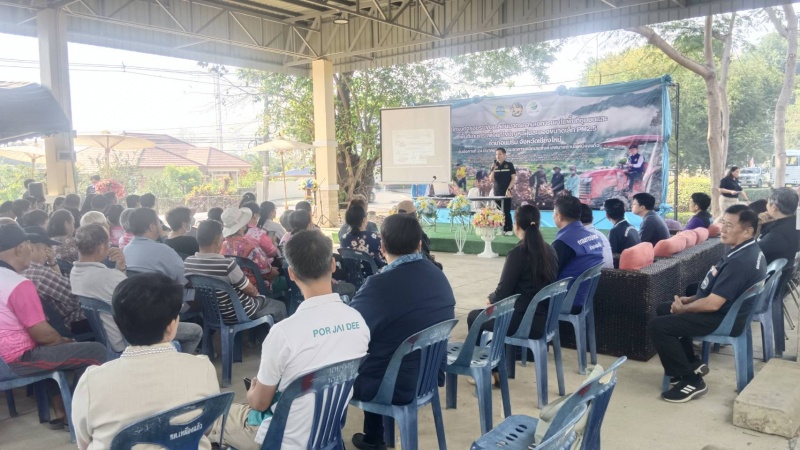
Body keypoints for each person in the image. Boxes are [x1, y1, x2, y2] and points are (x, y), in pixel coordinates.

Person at [210, 230, 370, 449]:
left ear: (292, 274)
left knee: (210, 417)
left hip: (278, 439)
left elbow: (259, 404)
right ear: (333, 265)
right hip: (327, 430)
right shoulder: (358, 321)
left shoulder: (283, 333)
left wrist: (252, 391)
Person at [72, 273, 220, 450]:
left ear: (118, 324)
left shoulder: (91, 382)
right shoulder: (202, 368)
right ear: (172, 326)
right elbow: (207, 427)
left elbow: (83, 442)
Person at [349, 214, 455, 450]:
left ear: (382, 247)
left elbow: (350, 330)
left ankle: (354, 438)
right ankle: (374, 436)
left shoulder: (379, 286)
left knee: (341, 365)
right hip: (428, 376)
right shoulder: (438, 276)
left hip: (392, 385)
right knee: (385, 343)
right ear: (419, 244)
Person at [649, 205, 766, 403]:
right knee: (664, 309)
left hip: (723, 319)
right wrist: (691, 300)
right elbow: (716, 289)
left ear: (748, 231)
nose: (723, 229)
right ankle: (692, 364)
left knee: (658, 327)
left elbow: (712, 304)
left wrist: (683, 309)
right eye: (723, 223)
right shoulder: (746, 250)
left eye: (730, 225)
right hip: (729, 312)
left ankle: (692, 381)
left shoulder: (740, 262)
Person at [0, 223, 106, 430]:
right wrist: (64, 341)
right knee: (96, 351)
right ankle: (76, 413)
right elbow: (44, 336)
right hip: (16, 359)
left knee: (54, 351)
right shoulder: (17, 284)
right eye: (28, 244)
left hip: (8, 357)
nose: (31, 249)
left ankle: (64, 409)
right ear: (19, 248)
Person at [72, 223, 202, 354]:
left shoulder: (75, 273)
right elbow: (141, 307)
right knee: (195, 331)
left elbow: (119, 292)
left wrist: (121, 267)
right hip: (131, 337)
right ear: (101, 248)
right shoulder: (109, 277)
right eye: (108, 243)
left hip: (107, 338)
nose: (110, 246)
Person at [466, 205, 557, 357]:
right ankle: (499, 361)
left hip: (522, 322)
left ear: (516, 225)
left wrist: (491, 298)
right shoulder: (550, 250)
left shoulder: (518, 253)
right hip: (544, 320)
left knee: (474, 317)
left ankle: (482, 365)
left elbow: (502, 293)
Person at [185, 219, 286, 325]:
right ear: (217, 241)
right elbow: (250, 290)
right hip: (238, 313)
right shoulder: (227, 265)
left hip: (211, 314)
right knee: (279, 306)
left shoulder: (188, 263)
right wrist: (260, 298)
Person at [21, 226, 89, 335]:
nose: (50, 253)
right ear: (32, 249)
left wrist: (52, 263)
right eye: (46, 248)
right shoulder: (41, 275)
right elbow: (77, 296)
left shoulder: (22, 272)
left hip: (54, 324)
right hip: (72, 323)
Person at [756, 188, 799, 357]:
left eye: (768, 202)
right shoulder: (793, 224)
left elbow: (750, 253)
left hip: (763, 288)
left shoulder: (778, 234)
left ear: (773, 206)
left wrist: (756, 226)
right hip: (782, 280)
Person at [552, 196, 604, 312]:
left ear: (559, 216)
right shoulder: (595, 237)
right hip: (586, 297)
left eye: (554, 212)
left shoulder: (564, 242)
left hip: (566, 300)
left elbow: (548, 273)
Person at [123, 208, 188, 285]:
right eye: (159, 222)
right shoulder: (163, 251)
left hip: (135, 292)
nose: (161, 225)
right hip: (162, 292)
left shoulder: (125, 250)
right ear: (152, 227)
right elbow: (184, 278)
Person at [220, 207, 278, 287]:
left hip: (231, 288)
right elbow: (266, 272)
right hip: (255, 287)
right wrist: (273, 271)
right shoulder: (248, 246)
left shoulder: (222, 246)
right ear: (242, 227)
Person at [488, 147, 516, 235]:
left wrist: (509, 189)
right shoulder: (494, 166)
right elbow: (491, 179)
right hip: (497, 192)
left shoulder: (509, 165)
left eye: (499, 154)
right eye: (496, 154)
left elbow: (513, 178)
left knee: (506, 211)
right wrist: (493, 169)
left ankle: (509, 229)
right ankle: (501, 229)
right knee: (499, 211)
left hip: (506, 191)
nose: (498, 156)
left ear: (504, 155)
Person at [580, 204, 613, 268]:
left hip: (599, 273)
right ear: (592, 219)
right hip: (609, 272)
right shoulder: (600, 235)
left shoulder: (577, 238)